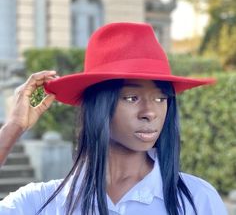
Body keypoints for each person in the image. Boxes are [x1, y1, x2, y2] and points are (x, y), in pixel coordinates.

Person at [0, 22, 227, 215]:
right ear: (97, 106)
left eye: (161, 98)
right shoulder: (43, 203)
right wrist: (13, 128)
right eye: (131, 98)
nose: (150, 112)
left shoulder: (197, 200)